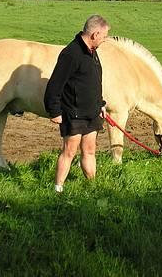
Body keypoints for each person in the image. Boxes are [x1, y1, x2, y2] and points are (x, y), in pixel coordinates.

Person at [44, 14, 110, 193]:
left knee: (89, 151)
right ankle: (58, 189)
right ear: (95, 34)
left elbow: (93, 82)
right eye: (103, 36)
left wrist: (100, 104)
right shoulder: (71, 54)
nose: (104, 40)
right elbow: (55, 84)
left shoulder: (92, 52)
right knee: (69, 152)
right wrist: (54, 111)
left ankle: (92, 186)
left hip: (91, 112)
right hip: (73, 113)